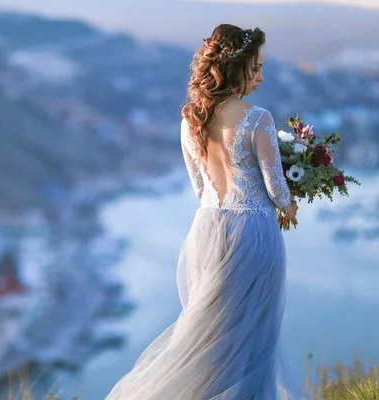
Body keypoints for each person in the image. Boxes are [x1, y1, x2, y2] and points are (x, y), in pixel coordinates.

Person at [104, 24, 318, 399]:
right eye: (257, 67)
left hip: (207, 229)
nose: (262, 76)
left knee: (210, 334)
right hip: (252, 233)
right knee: (251, 336)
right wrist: (289, 204)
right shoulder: (258, 118)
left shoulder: (191, 119)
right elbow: (274, 185)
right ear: (238, 67)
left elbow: (200, 188)